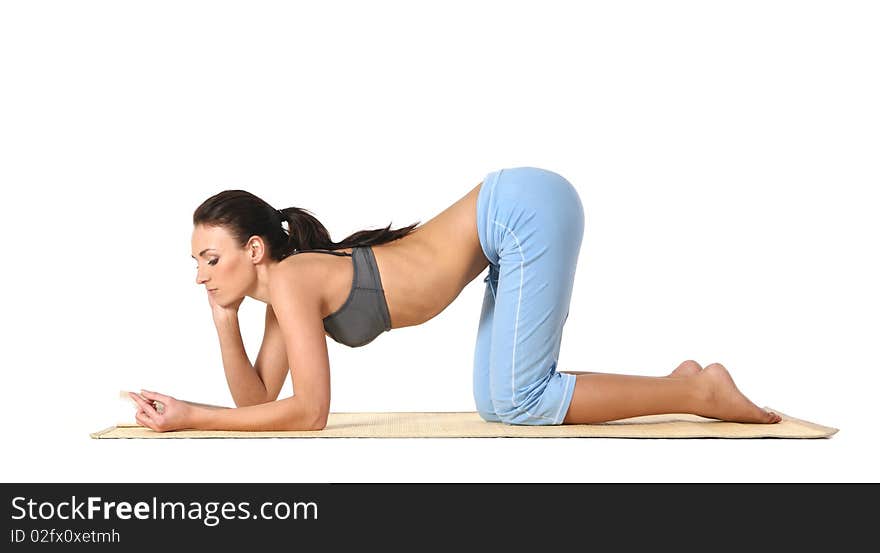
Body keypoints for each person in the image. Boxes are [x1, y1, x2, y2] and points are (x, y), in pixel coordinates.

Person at [129, 166, 782, 432]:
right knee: (500, 401)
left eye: (210, 260)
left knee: (519, 399)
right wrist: (222, 322)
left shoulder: (295, 280)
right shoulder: (286, 292)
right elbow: (257, 402)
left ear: (256, 252)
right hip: (513, 213)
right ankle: (683, 383)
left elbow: (310, 412)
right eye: (196, 263)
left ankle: (700, 394)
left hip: (520, 209)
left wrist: (190, 415)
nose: (202, 275)